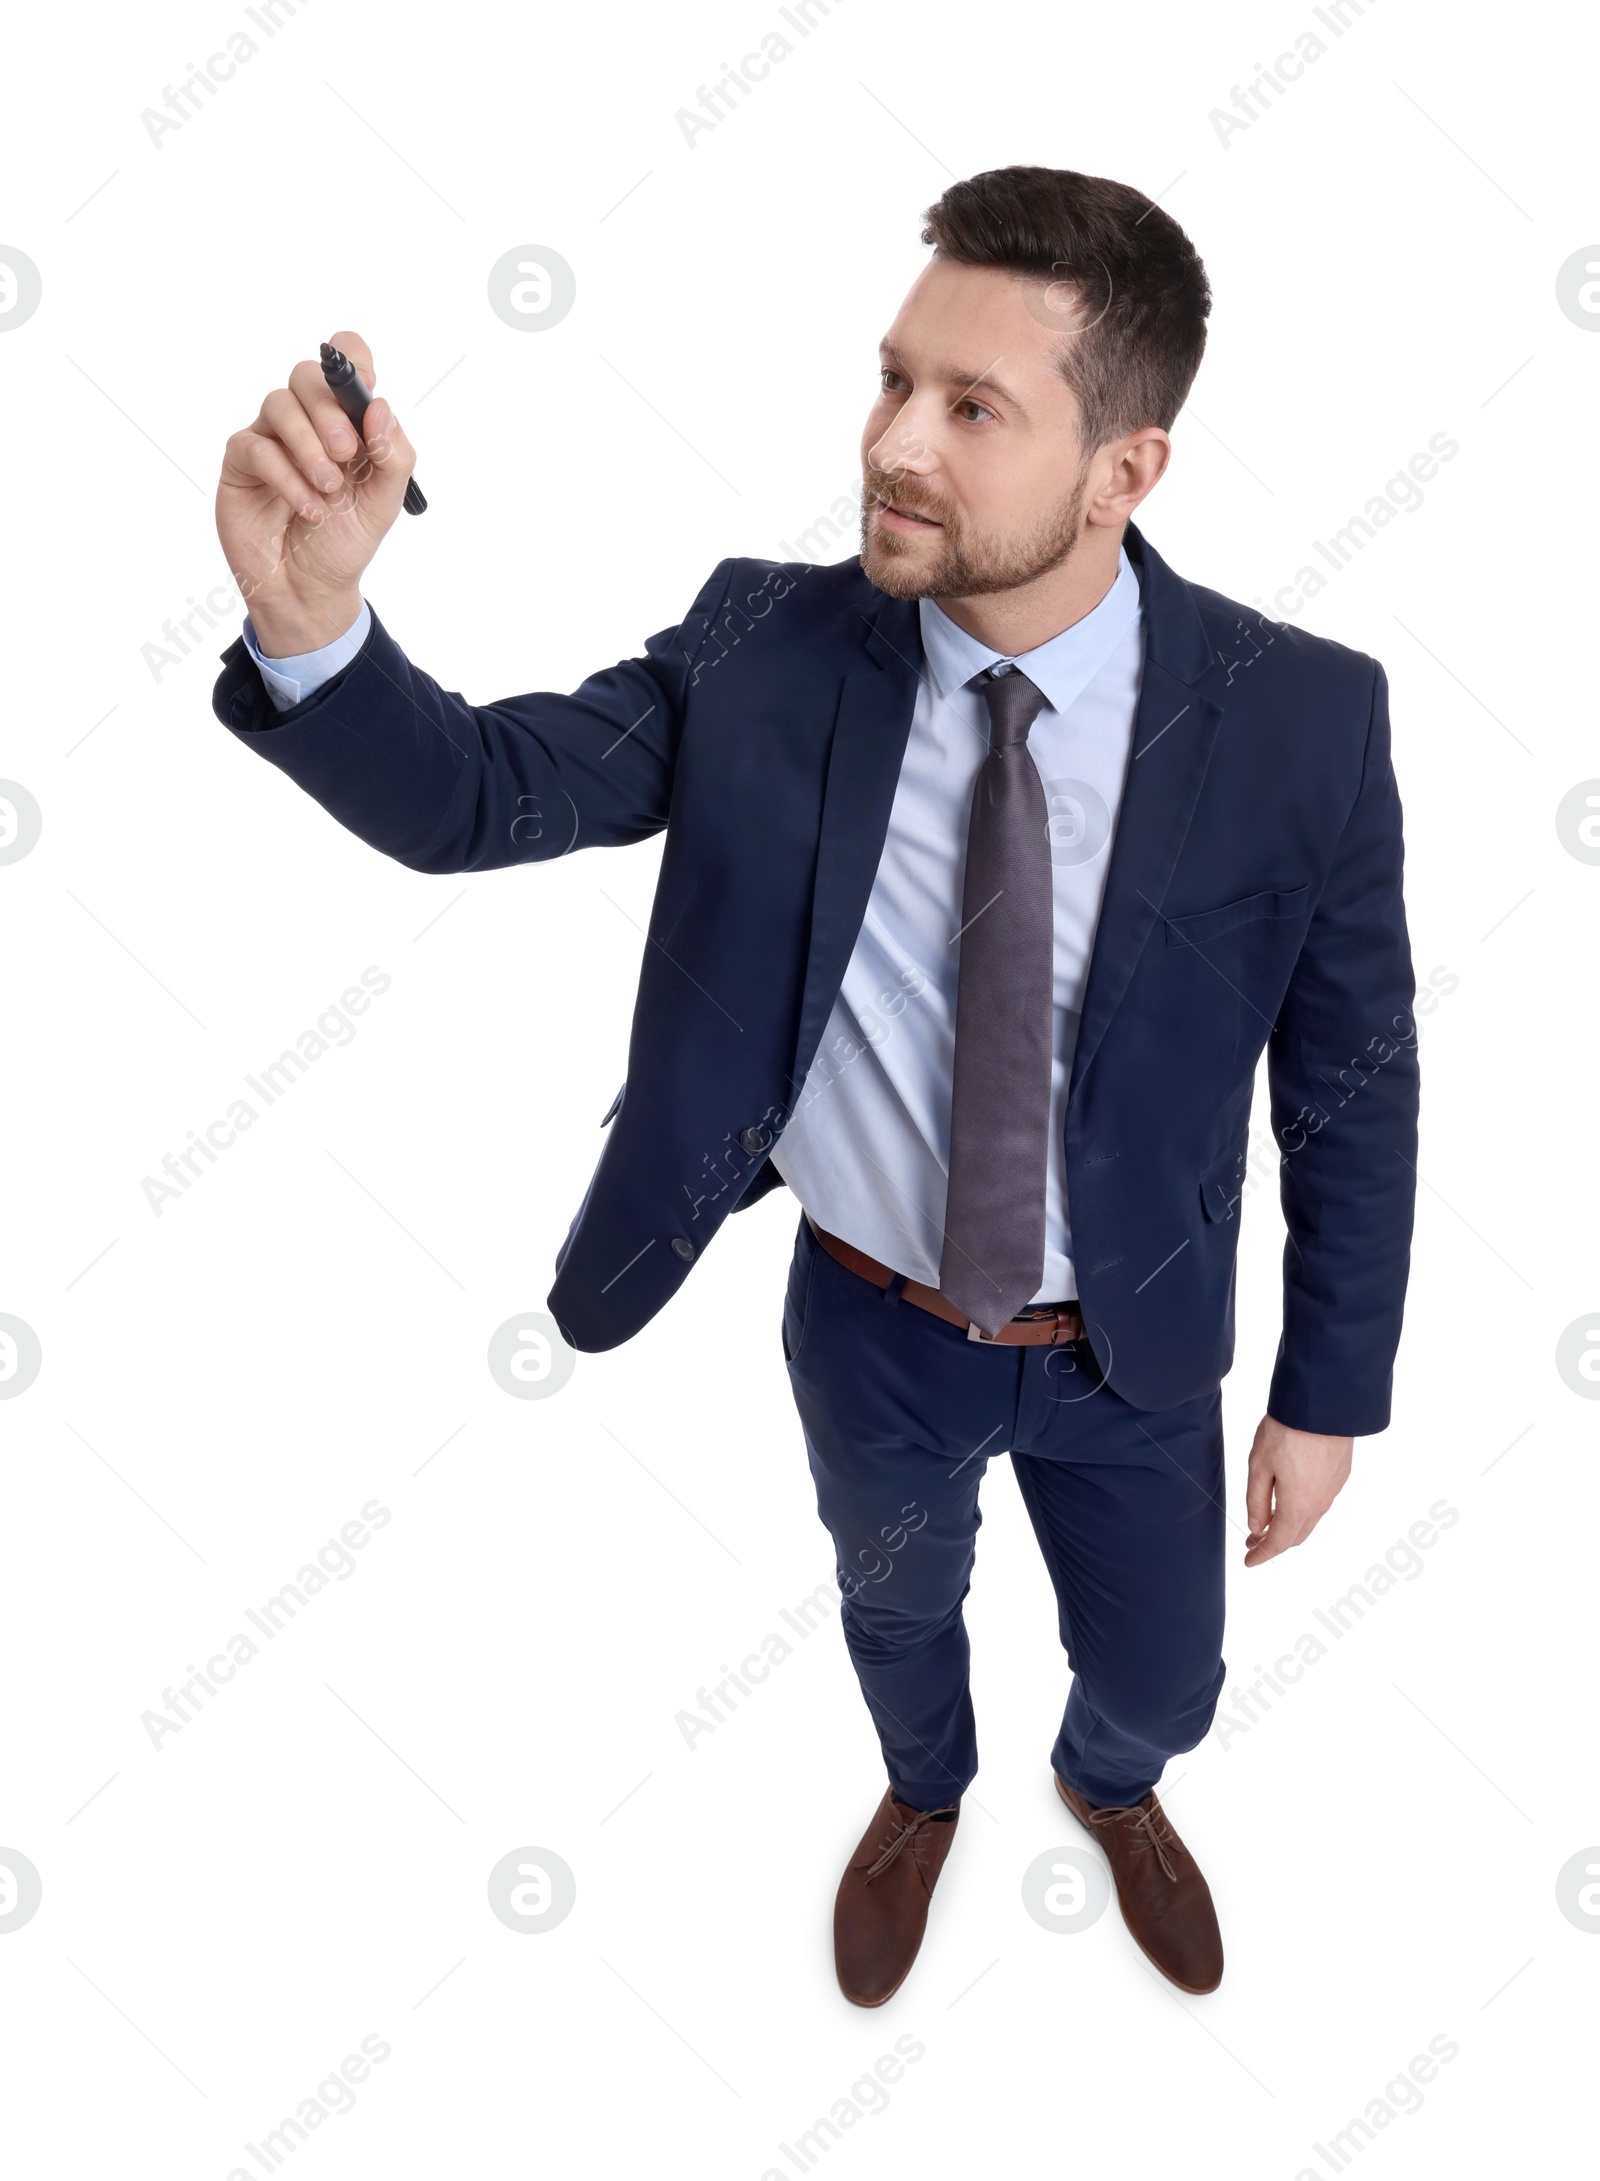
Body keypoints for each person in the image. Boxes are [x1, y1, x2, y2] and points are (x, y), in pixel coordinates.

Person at [211, 165, 1418, 2007]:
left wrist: (1329, 1395)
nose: (892, 441)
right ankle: (924, 1791)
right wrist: (314, 624)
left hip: (1138, 1353)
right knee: (895, 1606)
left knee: (1171, 1663)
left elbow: (1355, 1088)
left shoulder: (1300, 717)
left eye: (971, 407)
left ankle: (1112, 1780)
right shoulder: (766, 647)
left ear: (1129, 471)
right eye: (892, 378)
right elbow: (480, 793)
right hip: (873, 1328)